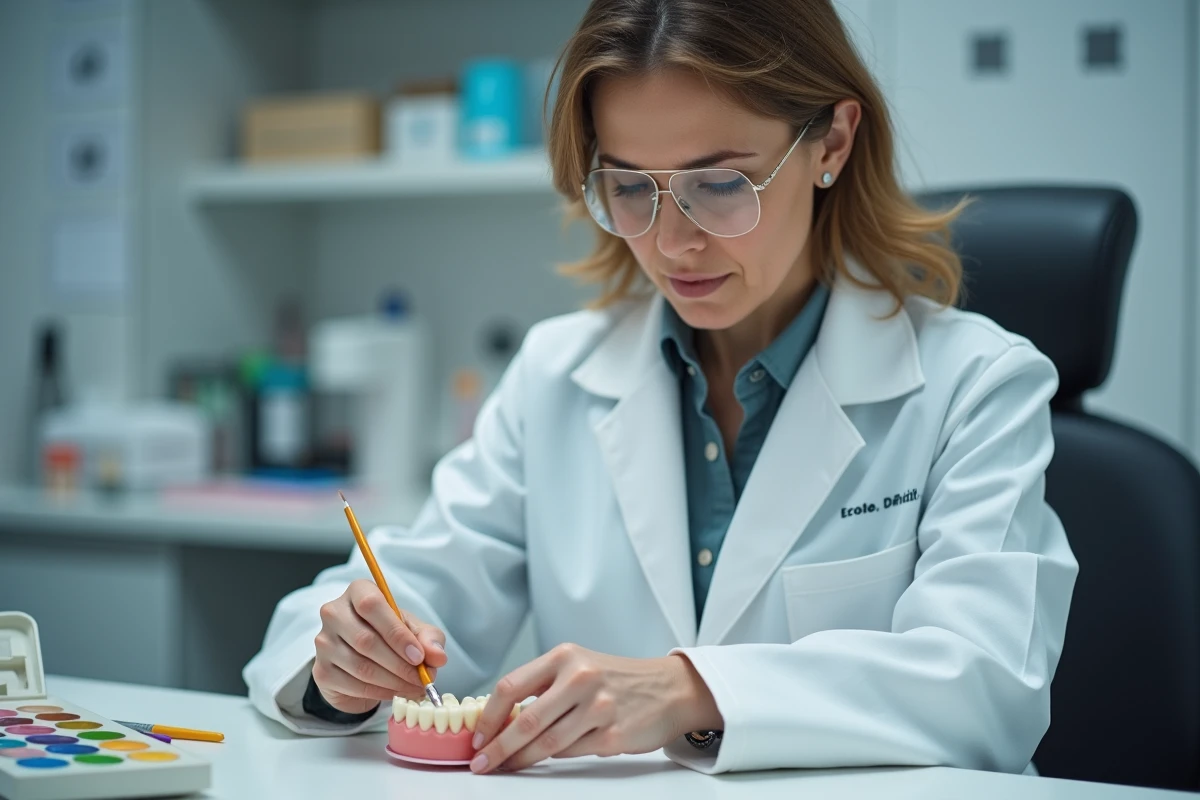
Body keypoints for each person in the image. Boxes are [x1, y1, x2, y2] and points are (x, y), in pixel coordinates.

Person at [244, 0, 1077, 776]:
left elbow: (987, 684)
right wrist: (346, 660)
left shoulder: (976, 384)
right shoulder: (556, 375)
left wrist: (692, 691)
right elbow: (414, 591)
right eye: (631, 186)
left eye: (720, 184)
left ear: (832, 142)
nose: (673, 242)